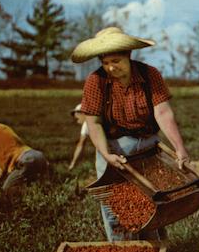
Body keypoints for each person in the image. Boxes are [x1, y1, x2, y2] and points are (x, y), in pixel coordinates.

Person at [71, 26, 190, 241]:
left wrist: (180, 148)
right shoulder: (96, 81)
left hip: (147, 149)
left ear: (129, 55)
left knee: (153, 203)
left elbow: (162, 112)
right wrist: (107, 155)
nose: (110, 68)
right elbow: (94, 122)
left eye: (115, 61)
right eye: (105, 62)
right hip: (114, 151)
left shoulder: (149, 74)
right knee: (118, 209)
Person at [0, 112, 48, 195]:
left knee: (6, 192)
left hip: (26, 161)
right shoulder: (3, 127)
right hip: (38, 157)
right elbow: (9, 153)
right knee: (33, 190)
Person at [68, 104, 89, 171]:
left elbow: (81, 144)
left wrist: (73, 164)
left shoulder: (87, 123)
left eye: (77, 118)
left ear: (83, 113)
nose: (77, 121)